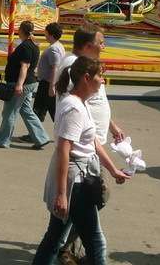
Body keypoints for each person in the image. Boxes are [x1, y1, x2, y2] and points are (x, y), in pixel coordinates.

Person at [33, 56, 131, 265]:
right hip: (76, 182)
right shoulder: (75, 108)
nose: (103, 81)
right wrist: (61, 194)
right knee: (96, 241)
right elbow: (63, 150)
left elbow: (94, 143)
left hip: (79, 177)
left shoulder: (80, 102)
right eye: (100, 76)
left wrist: (113, 170)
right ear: (87, 78)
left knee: (55, 237)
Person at [52, 25, 125, 263]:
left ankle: (66, 247)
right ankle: (69, 248)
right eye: (101, 42)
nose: (104, 46)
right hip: (83, 153)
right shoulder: (73, 65)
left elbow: (93, 103)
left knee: (76, 212)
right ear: (88, 45)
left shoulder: (89, 69)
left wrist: (112, 126)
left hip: (93, 148)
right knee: (95, 201)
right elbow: (72, 107)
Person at [0, 20, 51, 150]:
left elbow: (25, 66)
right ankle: (41, 138)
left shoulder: (26, 46)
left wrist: (19, 85)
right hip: (30, 82)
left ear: (21, 31)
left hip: (22, 83)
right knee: (26, 110)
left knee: (9, 112)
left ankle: (3, 140)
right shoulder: (33, 45)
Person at [32, 22, 65, 123]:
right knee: (42, 110)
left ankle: (36, 135)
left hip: (47, 84)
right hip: (48, 83)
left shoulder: (53, 49)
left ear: (50, 34)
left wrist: (52, 87)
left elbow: (54, 68)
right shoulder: (58, 46)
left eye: (45, 32)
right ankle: (37, 134)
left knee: (40, 110)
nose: (44, 34)